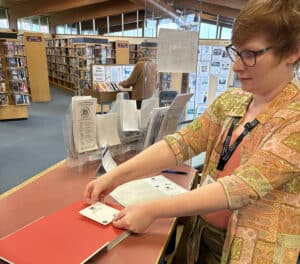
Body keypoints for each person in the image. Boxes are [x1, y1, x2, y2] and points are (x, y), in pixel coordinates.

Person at [84, 0, 300, 263]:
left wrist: (153, 210)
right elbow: (180, 143)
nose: (237, 66)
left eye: (251, 54)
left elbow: (240, 188)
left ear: (293, 52)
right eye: (237, 52)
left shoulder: (294, 119)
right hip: (202, 236)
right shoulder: (233, 101)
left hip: (252, 253)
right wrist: (115, 176)